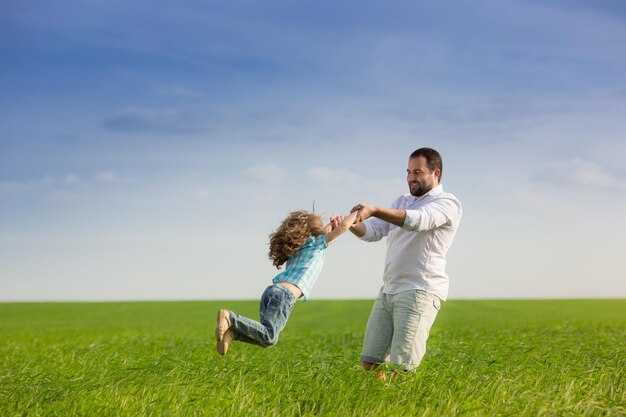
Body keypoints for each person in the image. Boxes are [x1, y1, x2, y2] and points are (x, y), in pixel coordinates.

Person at [334, 147, 462, 377]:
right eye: (408, 172)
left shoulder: (447, 203)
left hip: (418, 291)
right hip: (389, 291)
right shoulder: (402, 201)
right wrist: (350, 224)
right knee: (370, 362)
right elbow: (373, 232)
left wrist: (374, 209)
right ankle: (379, 407)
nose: (411, 177)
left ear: (436, 174)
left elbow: (417, 221)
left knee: (401, 369)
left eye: (418, 172)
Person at [215, 209, 359, 355]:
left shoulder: (301, 246)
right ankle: (230, 318)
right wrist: (357, 213)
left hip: (272, 291)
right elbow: (343, 227)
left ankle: (233, 332)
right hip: (284, 295)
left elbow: (325, 231)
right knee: (269, 336)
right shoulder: (317, 244)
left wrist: (330, 224)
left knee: (266, 338)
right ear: (315, 231)